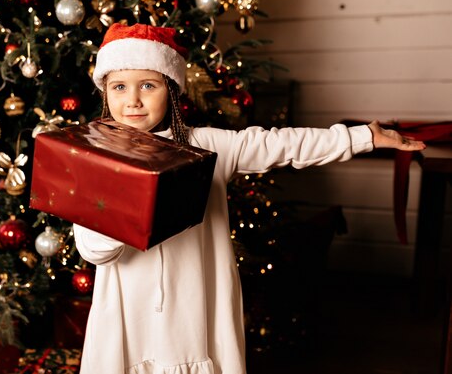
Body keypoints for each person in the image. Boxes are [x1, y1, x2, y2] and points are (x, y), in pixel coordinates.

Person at [72, 23, 425, 374]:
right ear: (106, 94)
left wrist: (363, 137)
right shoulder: (96, 160)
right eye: (119, 87)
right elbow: (94, 250)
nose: (132, 100)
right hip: (128, 324)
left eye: (148, 85)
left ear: (172, 90)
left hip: (195, 318)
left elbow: (282, 145)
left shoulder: (207, 148)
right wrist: (117, 194)